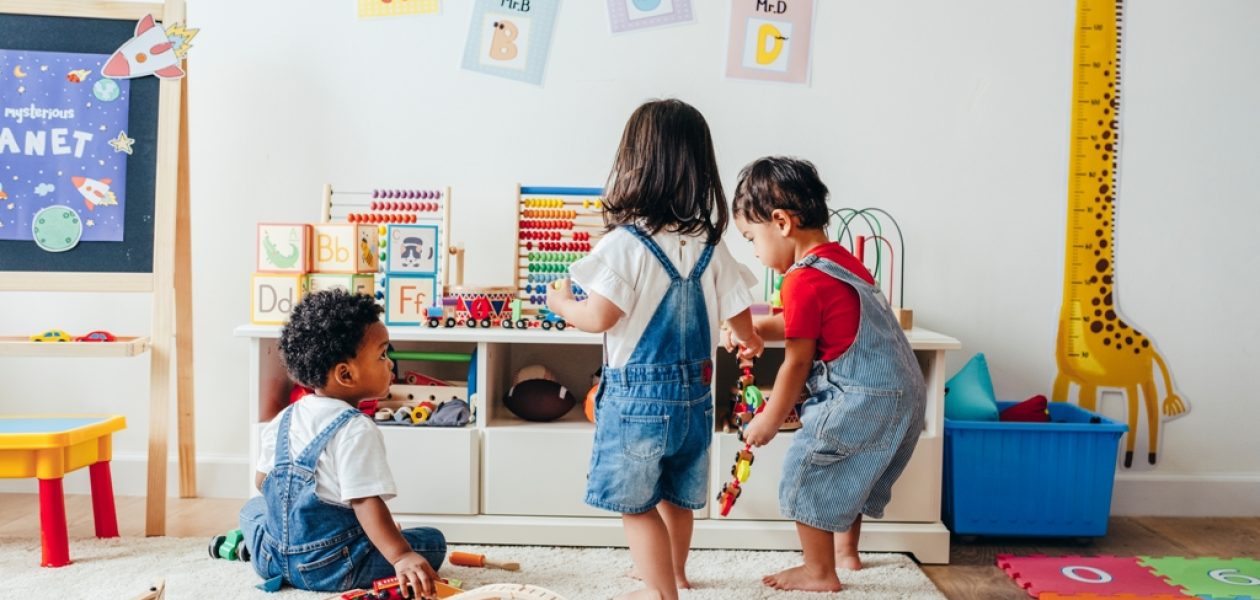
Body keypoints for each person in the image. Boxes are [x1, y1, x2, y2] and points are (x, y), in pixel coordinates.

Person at [547, 98, 763, 600]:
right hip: (695, 401)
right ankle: (677, 573)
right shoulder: (711, 244)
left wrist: (561, 303)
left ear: (634, 165)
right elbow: (741, 318)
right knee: (676, 497)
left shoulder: (626, 243)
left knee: (636, 505)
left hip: (638, 402)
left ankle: (662, 593)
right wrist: (746, 341)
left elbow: (597, 317)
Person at [726, 156, 925, 593]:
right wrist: (756, 327)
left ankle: (818, 573)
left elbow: (797, 360)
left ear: (780, 223)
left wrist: (770, 419)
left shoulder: (798, 281)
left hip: (863, 394)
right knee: (848, 471)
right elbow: (809, 322)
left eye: (751, 239)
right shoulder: (841, 262)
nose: (756, 253)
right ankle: (845, 553)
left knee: (807, 469)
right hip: (904, 392)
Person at [236, 289, 446, 597]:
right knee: (431, 543)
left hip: (274, 560)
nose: (390, 364)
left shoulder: (286, 417)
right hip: (332, 567)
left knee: (253, 509)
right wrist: (400, 555)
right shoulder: (356, 429)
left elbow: (261, 482)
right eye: (382, 354)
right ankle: (388, 552)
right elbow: (365, 502)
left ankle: (252, 549)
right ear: (345, 374)